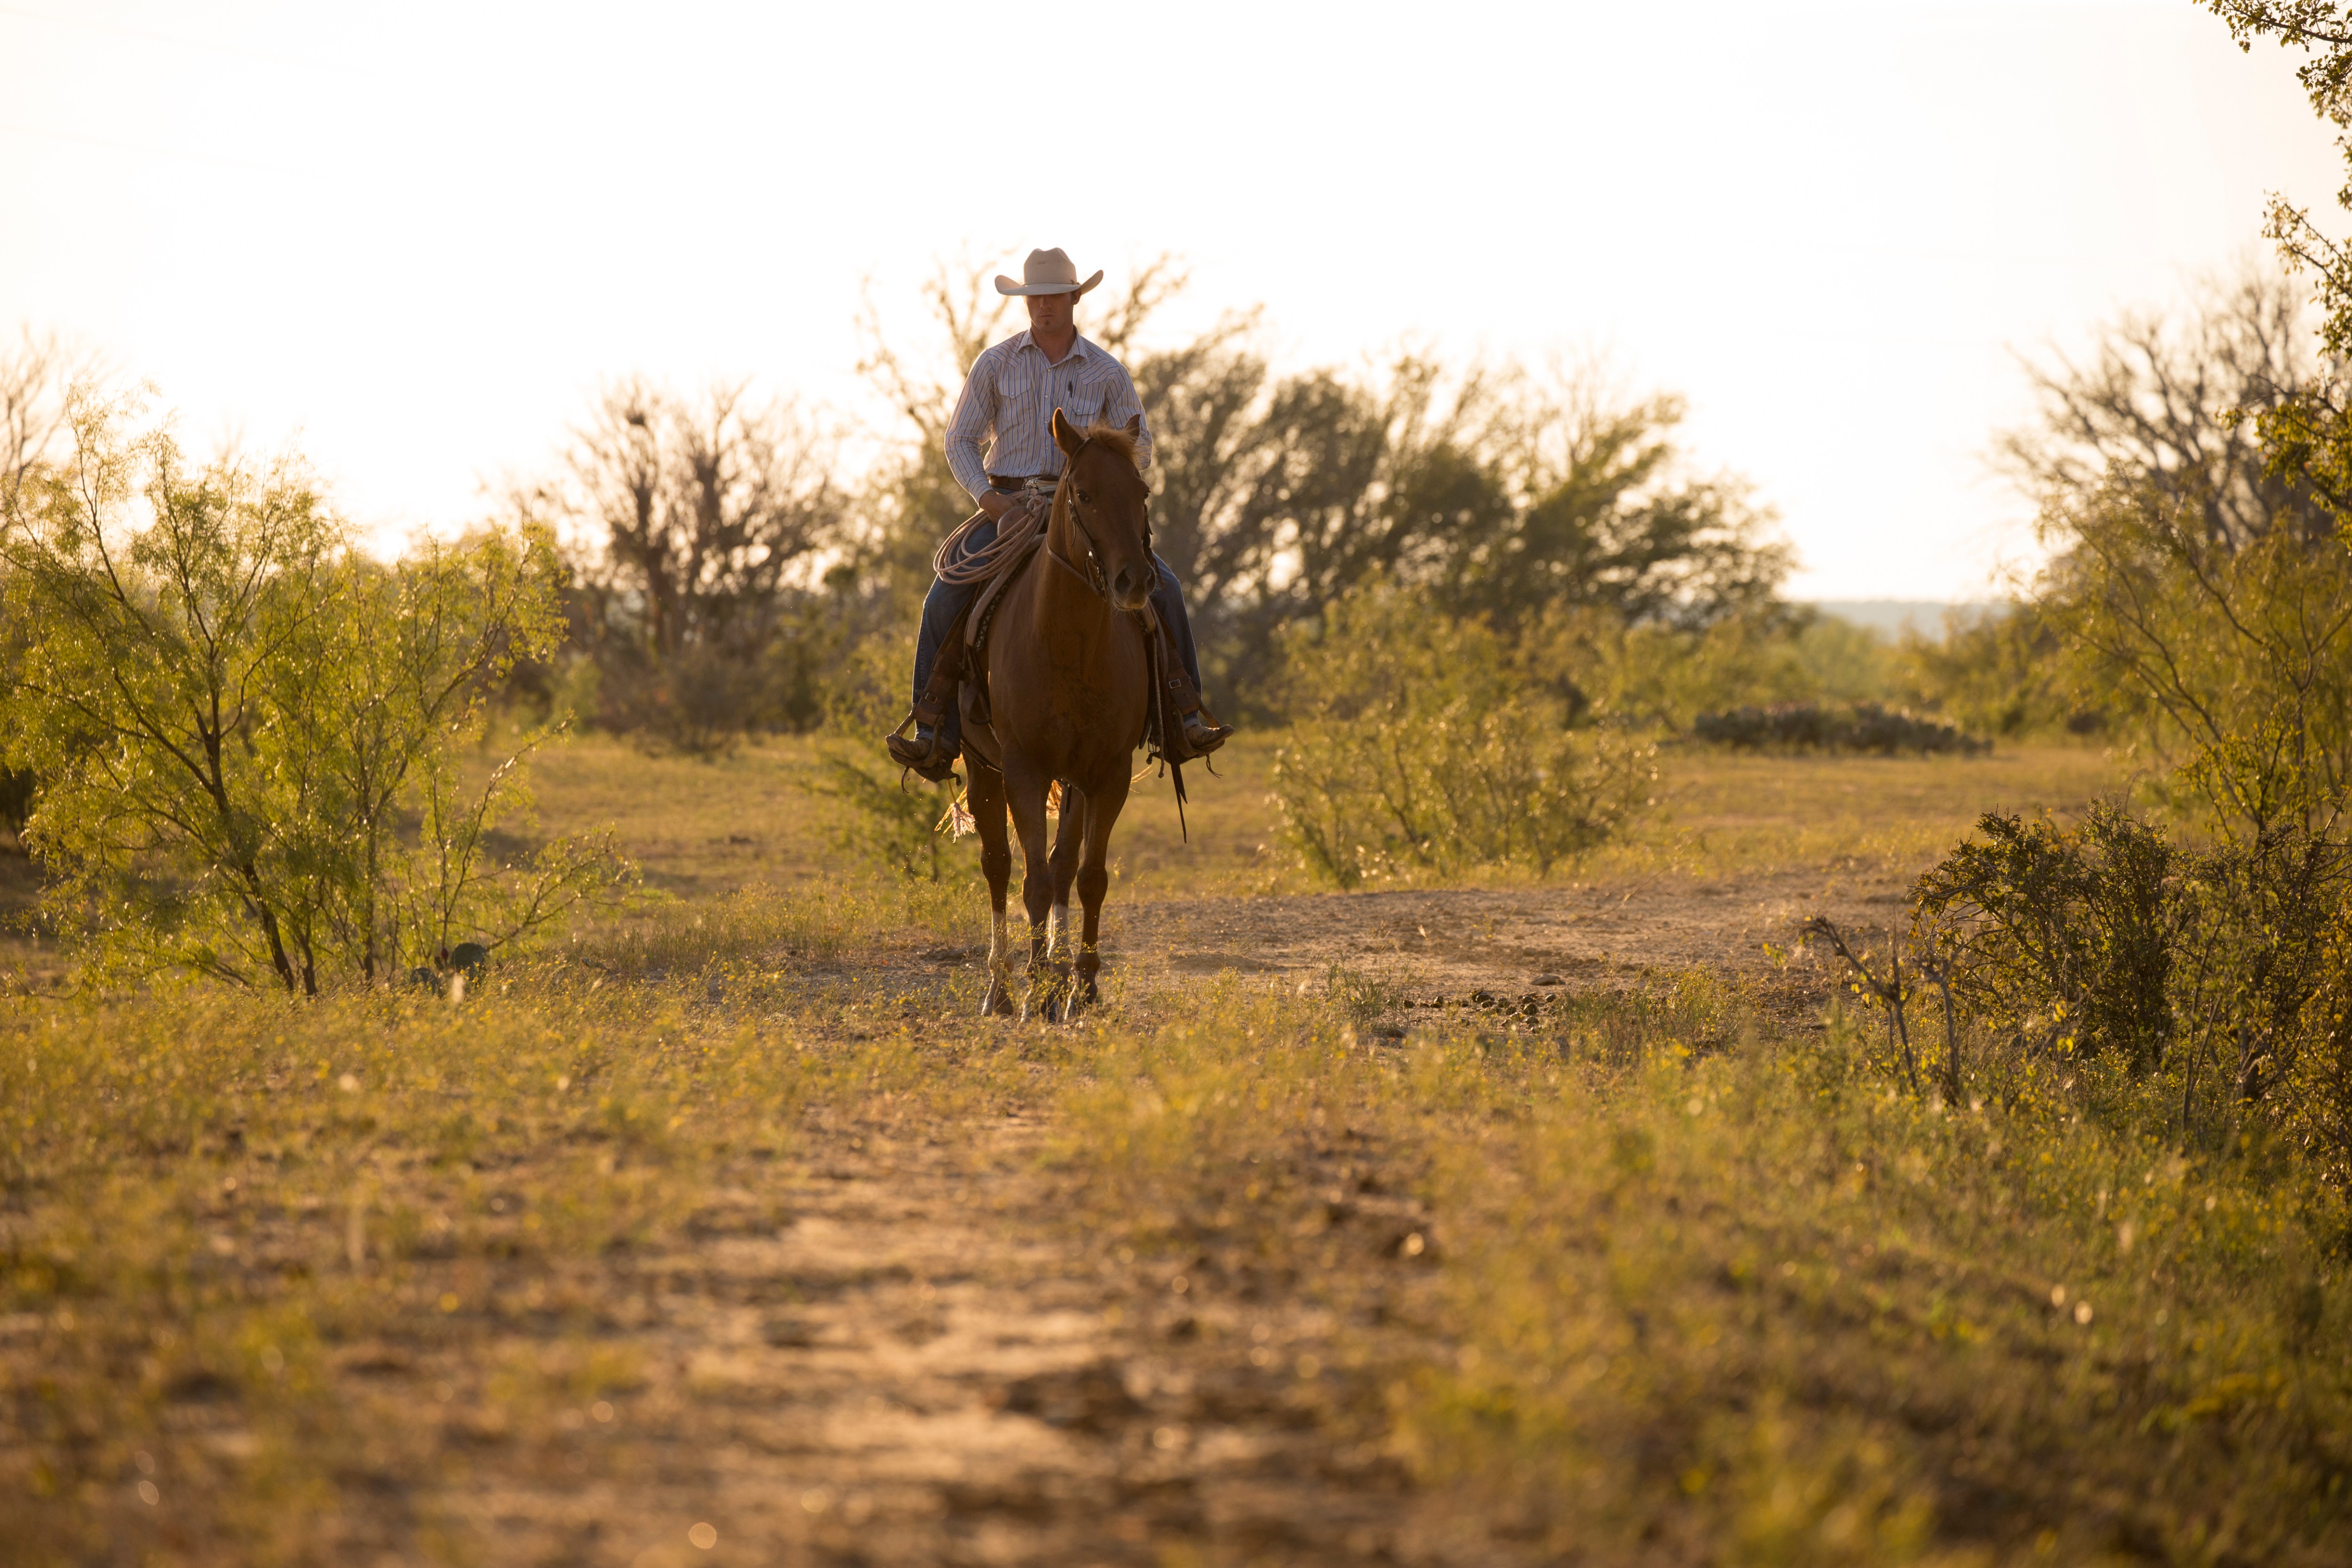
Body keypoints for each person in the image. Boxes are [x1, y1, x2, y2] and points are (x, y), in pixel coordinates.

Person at [887, 247, 1232, 777]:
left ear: (1073, 298)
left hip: (1086, 509)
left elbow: (1141, 448)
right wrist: (990, 500)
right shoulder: (995, 363)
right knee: (945, 593)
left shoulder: (1106, 372)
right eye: (1034, 298)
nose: (1043, 307)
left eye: (1053, 297)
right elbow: (959, 441)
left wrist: (1103, 473)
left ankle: (1182, 718)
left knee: (1164, 588)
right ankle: (932, 727)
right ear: (1025, 302)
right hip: (1009, 506)